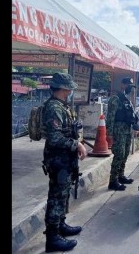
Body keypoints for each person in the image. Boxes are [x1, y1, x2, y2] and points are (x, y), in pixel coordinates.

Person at [41, 73, 87, 252]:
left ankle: (60, 225)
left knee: (63, 193)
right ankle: (52, 239)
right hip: (57, 158)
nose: (70, 91)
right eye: (68, 88)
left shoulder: (62, 106)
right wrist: (77, 145)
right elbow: (54, 138)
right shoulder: (54, 107)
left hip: (65, 158)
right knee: (56, 197)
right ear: (61, 88)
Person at [106, 77, 139, 191]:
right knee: (119, 155)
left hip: (127, 130)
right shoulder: (115, 98)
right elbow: (110, 117)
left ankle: (121, 175)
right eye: (127, 85)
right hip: (118, 131)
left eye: (131, 86)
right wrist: (109, 133)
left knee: (125, 154)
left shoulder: (126, 99)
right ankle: (113, 180)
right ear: (122, 84)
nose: (129, 87)